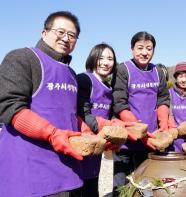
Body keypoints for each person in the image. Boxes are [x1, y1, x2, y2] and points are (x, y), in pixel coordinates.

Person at [0, 11, 87, 196]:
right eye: (60, 32)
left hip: (68, 171)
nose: (66, 38)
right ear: (44, 32)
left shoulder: (71, 74)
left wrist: (86, 131)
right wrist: (52, 134)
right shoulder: (22, 58)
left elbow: (69, 113)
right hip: (29, 172)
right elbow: (10, 107)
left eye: (72, 36)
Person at [111, 31, 170, 196]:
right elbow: (120, 104)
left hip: (151, 139)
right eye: (140, 48)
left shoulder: (158, 71)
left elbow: (163, 99)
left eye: (149, 49)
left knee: (147, 184)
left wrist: (163, 125)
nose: (145, 52)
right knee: (121, 184)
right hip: (127, 139)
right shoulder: (123, 69)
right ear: (132, 49)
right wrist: (140, 131)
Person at [77, 43, 119, 197]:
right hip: (82, 143)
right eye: (101, 58)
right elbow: (82, 112)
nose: (106, 62)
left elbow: (110, 115)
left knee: (93, 183)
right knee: (79, 186)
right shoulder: (84, 80)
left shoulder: (108, 87)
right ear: (93, 58)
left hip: (98, 145)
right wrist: (104, 127)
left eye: (110, 59)